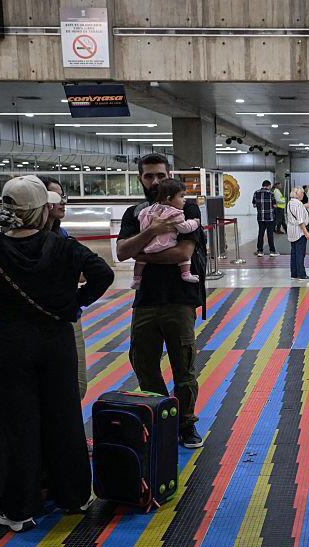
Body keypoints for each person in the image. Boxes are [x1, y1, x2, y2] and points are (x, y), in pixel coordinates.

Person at [0, 175, 113, 532]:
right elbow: (103, 274)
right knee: (64, 419)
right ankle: (75, 496)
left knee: (18, 426)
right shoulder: (65, 247)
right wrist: (72, 304)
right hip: (57, 341)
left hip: (10, 345)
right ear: (42, 210)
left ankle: (19, 510)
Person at [116, 153, 207, 449]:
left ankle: (186, 423)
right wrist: (153, 232)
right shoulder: (135, 212)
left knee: (184, 367)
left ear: (169, 175)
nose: (155, 181)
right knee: (143, 363)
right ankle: (161, 417)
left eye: (159, 175)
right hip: (146, 301)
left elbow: (183, 254)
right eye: (148, 176)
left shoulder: (187, 207)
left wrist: (142, 252)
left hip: (180, 300)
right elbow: (120, 252)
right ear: (140, 179)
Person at [40, 177, 85, 400]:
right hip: (38, 320)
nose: (62, 202)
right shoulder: (23, 240)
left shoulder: (63, 236)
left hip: (67, 315)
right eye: (55, 197)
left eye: (63, 197)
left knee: (77, 385)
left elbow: (85, 274)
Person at [131, 178, 201, 288]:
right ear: (169, 198)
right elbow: (184, 228)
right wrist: (195, 223)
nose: (184, 200)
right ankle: (186, 274)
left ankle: (136, 279)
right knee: (186, 258)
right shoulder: (174, 213)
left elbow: (141, 219)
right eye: (181, 196)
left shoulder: (148, 210)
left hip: (147, 246)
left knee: (140, 261)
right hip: (166, 245)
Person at [287, 186, 309, 280]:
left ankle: (294, 274)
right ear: (297, 194)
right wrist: (306, 232)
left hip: (292, 231)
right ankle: (301, 274)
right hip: (299, 232)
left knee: (294, 253)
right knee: (300, 253)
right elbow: (300, 221)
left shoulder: (290, 202)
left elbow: (303, 207)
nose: (303, 194)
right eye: (302, 193)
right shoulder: (298, 204)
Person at [253, 180, 278, 257]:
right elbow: (275, 205)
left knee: (261, 234)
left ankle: (260, 251)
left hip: (260, 217)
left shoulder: (256, 193)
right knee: (270, 234)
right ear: (268, 186)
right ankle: (272, 251)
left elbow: (254, 205)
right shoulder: (271, 193)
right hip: (269, 218)